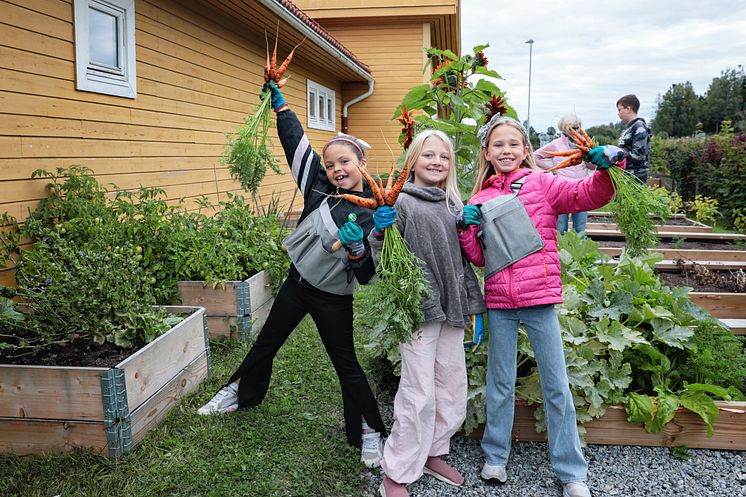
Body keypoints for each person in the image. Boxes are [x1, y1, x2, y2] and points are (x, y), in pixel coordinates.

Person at [197, 81, 388, 469]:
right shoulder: (316, 189)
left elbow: (367, 275)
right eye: (330, 163)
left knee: (346, 365)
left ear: (361, 165)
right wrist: (280, 105)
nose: (336, 169)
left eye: (345, 163)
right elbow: (295, 144)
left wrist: (359, 248)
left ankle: (369, 431)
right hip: (297, 285)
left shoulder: (374, 211)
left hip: (334, 299)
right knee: (266, 343)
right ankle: (235, 392)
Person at [458, 115, 626, 497]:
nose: (506, 151)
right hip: (500, 300)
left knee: (556, 384)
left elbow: (589, 195)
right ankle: (496, 457)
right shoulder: (480, 198)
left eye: (514, 144)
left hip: (539, 300)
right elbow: (478, 257)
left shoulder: (542, 183)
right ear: (486, 152)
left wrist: (606, 169)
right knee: (499, 383)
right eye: (498, 145)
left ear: (526, 150)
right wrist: (465, 226)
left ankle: (571, 473)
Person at [370, 129, 487, 497]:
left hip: (451, 309)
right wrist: (378, 232)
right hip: (416, 310)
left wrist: (475, 305)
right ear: (413, 162)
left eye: (443, 156)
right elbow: (382, 260)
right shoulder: (401, 204)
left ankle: (434, 452)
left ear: (450, 165)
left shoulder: (453, 205)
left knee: (451, 386)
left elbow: (463, 264)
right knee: (417, 392)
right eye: (428, 155)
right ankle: (398, 471)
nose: (436, 162)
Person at [534, 114, 594, 235]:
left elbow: (591, 166)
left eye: (577, 127)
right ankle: (560, 253)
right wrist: (553, 168)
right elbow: (536, 156)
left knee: (580, 229)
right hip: (562, 189)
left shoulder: (585, 145)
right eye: (572, 127)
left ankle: (579, 253)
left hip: (582, 189)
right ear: (564, 128)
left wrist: (592, 159)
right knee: (560, 228)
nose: (575, 130)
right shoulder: (556, 144)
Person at [616, 94, 651, 184]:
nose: (618, 113)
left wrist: (617, 153)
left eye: (620, 110)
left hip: (635, 176)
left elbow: (638, 155)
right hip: (626, 174)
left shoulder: (639, 127)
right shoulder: (628, 128)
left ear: (628, 109)